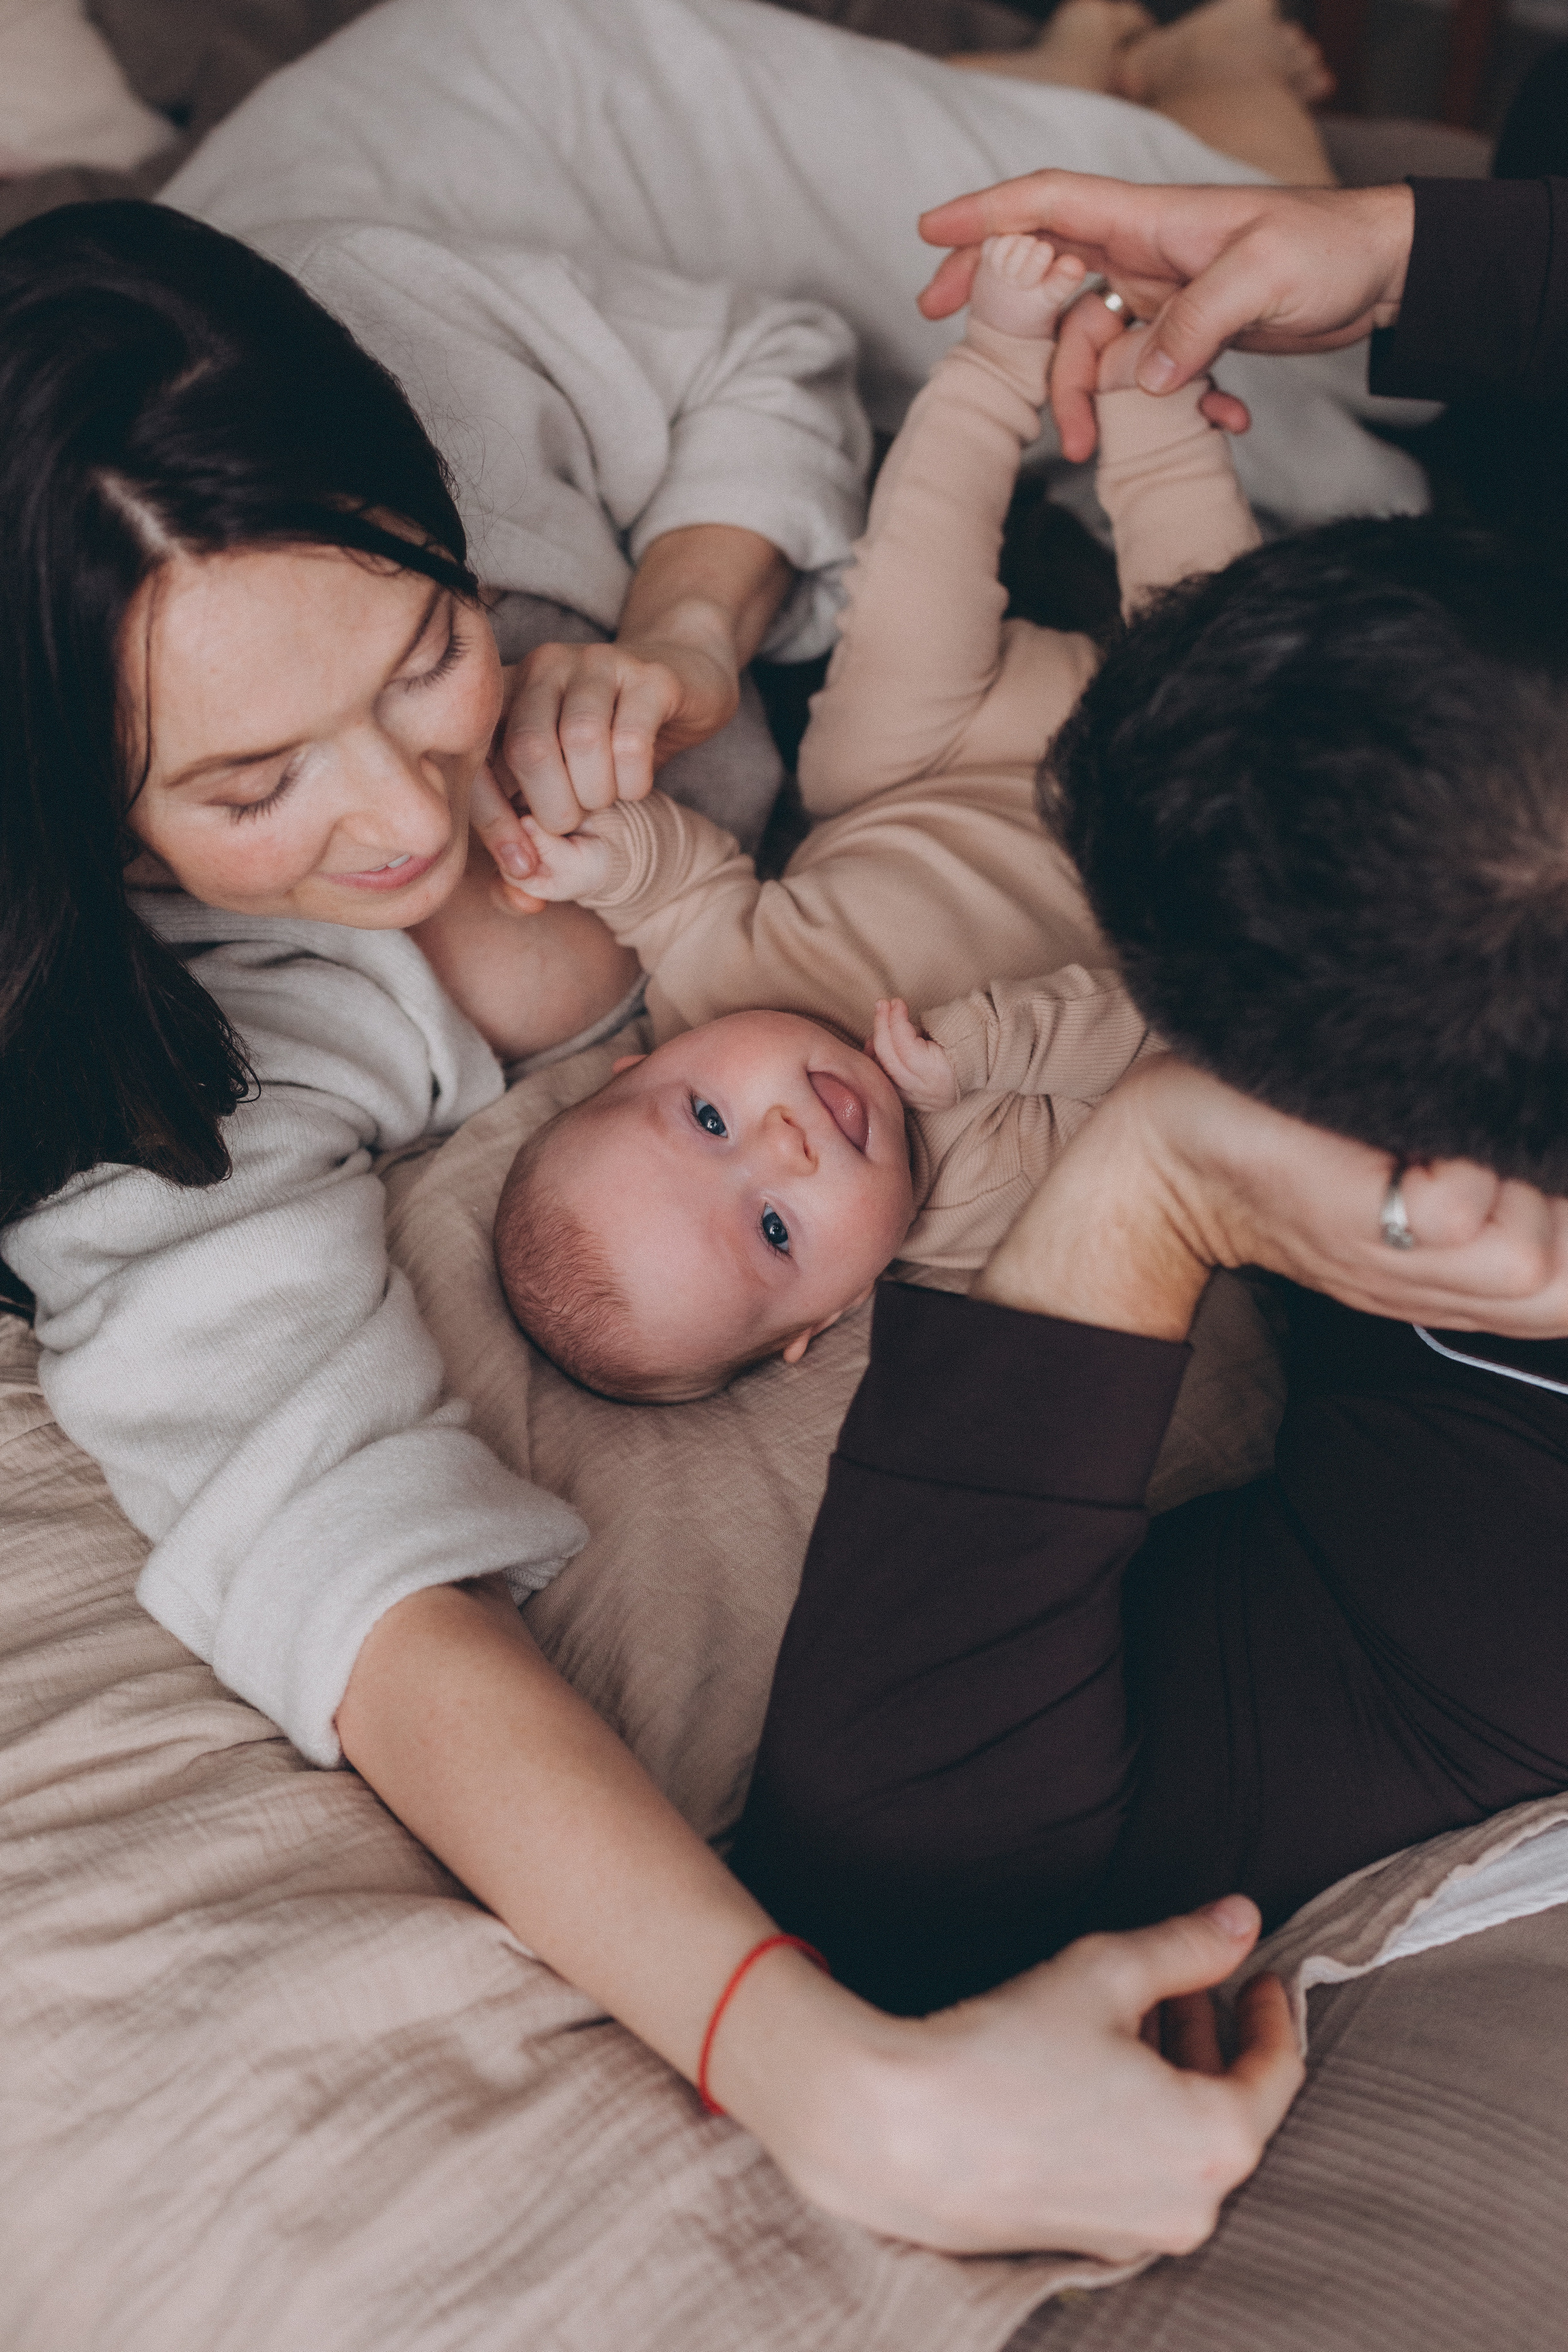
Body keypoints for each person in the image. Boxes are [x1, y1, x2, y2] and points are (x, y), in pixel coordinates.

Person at [0, 195, 1307, 2265]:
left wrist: (681, 625)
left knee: (1246, 226)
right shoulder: (160, 1108)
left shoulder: (382, 371)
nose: (409, 819)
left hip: (923, 571)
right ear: (69, 803)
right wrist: (840, 2088)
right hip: (1054, 804)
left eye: (427, 651)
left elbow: (761, 353)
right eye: (253, 788)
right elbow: (358, 1582)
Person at [481, 235, 1254, 1397]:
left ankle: (997, 359)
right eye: (779, 1234)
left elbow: (683, 890)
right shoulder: (980, 1208)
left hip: (930, 762)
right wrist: (988, 1051)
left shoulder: (717, 993)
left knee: (893, 623)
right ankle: (1155, 404)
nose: (780, 1144)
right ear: (828, 1317)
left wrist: (605, 857)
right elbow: (1173, 1045)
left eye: (702, 1115)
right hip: (1157, 826)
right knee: (1252, 749)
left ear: (637, 1067)